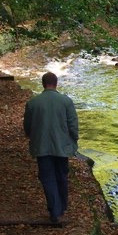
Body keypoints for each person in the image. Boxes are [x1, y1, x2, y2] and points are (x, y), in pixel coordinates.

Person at [24, 72, 79, 224]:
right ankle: (61, 207)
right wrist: (74, 139)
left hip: (42, 147)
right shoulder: (66, 101)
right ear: (56, 83)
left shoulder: (33, 103)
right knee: (61, 175)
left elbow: (27, 126)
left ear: (43, 84)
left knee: (47, 178)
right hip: (62, 147)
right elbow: (73, 125)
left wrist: (30, 135)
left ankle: (54, 210)